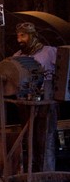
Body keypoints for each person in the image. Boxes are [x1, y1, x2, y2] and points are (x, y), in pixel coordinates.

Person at [13, 22, 58, 172]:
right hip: (26, 104)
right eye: (18, 36)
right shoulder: (17, 57)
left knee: (44, 139)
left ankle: (47, 174)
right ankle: (31, 173)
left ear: (32, 36)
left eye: (23, 35)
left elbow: (64, 69)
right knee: (29, 140)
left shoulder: (49, 52)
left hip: (46, 102)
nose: (19, 39)